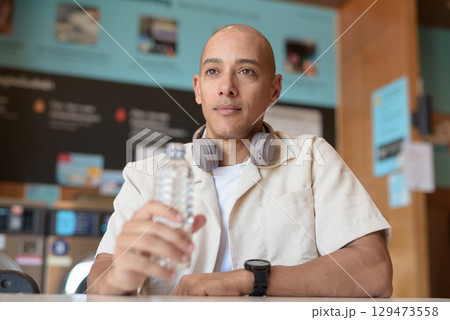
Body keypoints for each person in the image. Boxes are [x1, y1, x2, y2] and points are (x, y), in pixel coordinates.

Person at [87, 24, 393, 297]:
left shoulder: (313, 158)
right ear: (198, 89)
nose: (226, 87)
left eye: (246, 71)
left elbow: (375, 272)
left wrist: (246, 281)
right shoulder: (145, 176)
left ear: (274, 89)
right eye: (213, 72)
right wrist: (117, 278)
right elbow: (97, 282)